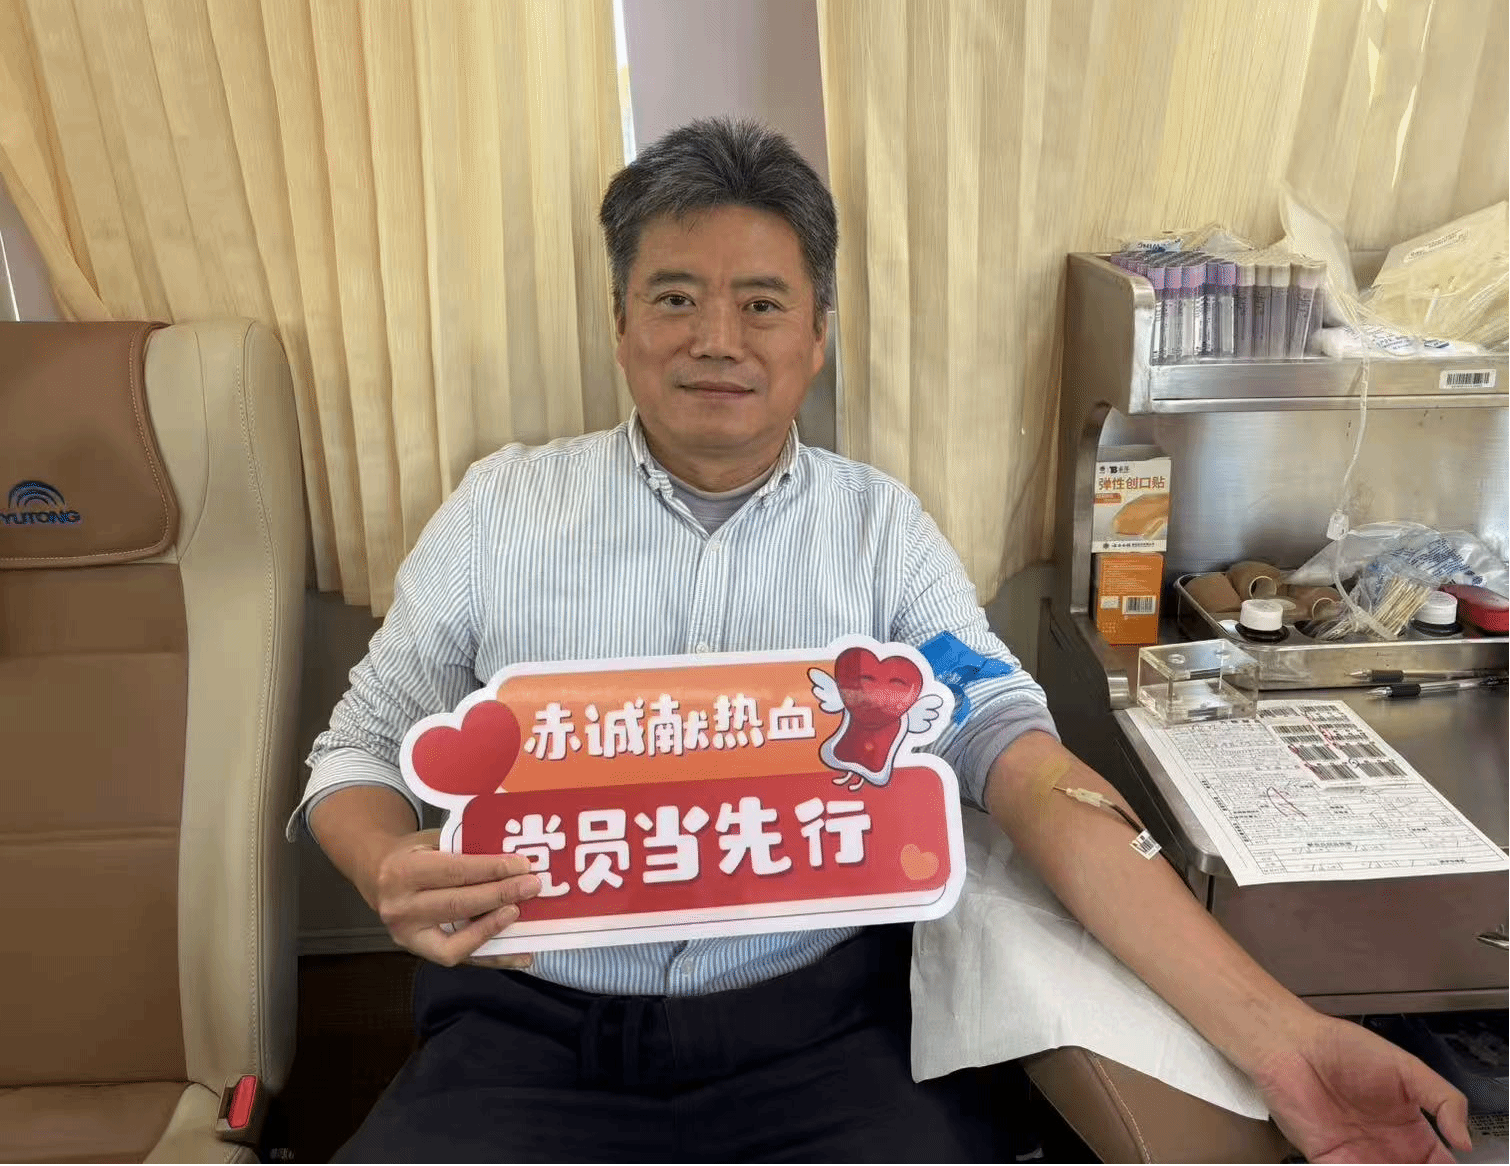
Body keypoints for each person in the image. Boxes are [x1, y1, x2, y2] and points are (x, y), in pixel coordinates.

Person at [297, 118, 1472, 1164]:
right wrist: (383, 858)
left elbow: (1031, 775)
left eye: (762, 303)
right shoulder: (500, 511)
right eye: (674, 297)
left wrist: (1287, 1038)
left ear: (816, 334)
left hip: (815, 1032)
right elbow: (358, 747)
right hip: (530, 1030)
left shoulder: (879, 534)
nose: (717, 337)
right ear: (619, 325)